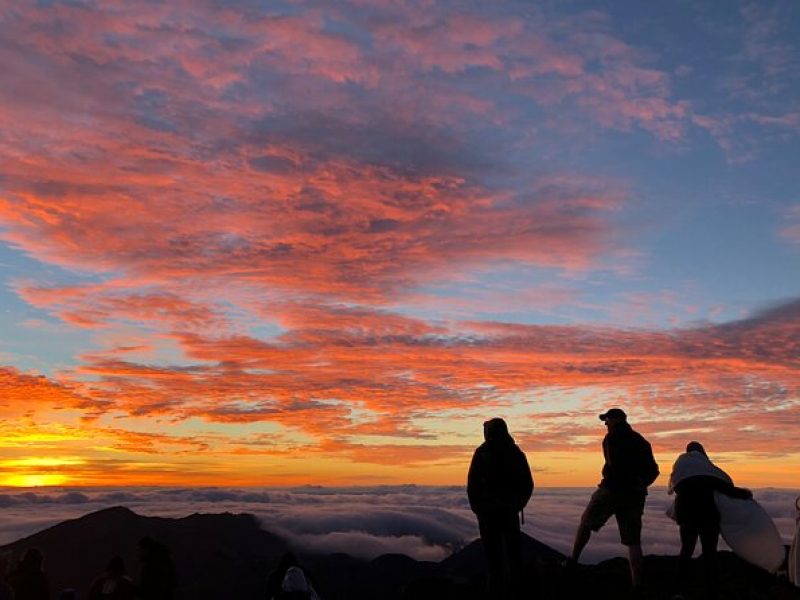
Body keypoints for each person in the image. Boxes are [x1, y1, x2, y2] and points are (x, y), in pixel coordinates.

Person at [567, 408, 659, 595]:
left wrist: (618, 481)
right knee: (633, 541)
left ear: (616, 419)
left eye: (607, 420)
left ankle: (572, 562)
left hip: (612, 490)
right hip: (635, 495)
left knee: (586, 522)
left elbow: (614, 465)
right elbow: (654, 470)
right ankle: (637, 585)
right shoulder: (642, 441)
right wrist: (641, 483)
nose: (605, 424)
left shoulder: (611, 438)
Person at [668, 441, 752, 598]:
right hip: (708, 516)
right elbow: (726, 487)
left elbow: (676, 487)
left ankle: (680, 589)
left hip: (686, 516)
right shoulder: (708, 471)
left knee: (686, 551)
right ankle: (712, 590)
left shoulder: (681, 466)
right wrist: (746, 495)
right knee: (710, 554)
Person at [467, 417, 534, 599]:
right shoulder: (516, 452)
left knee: (493, 556)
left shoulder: (482, 452)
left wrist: (478, 507)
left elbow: (472, 484)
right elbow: (527, 483)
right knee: (513, 553)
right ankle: (516, 588)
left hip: (489, 513)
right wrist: (517, 504)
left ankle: (495, 590)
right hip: (508, 511)